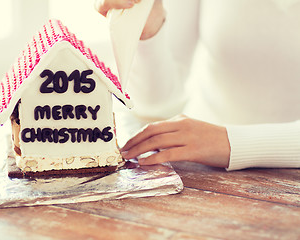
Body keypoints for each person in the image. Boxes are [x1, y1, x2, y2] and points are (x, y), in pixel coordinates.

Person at [95, 0, 300, 170]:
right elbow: (156, 106)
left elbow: (221, 142)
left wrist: (229, 142)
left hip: (284, 183)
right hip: (197, 162)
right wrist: (147, 30)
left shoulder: (218, 141)